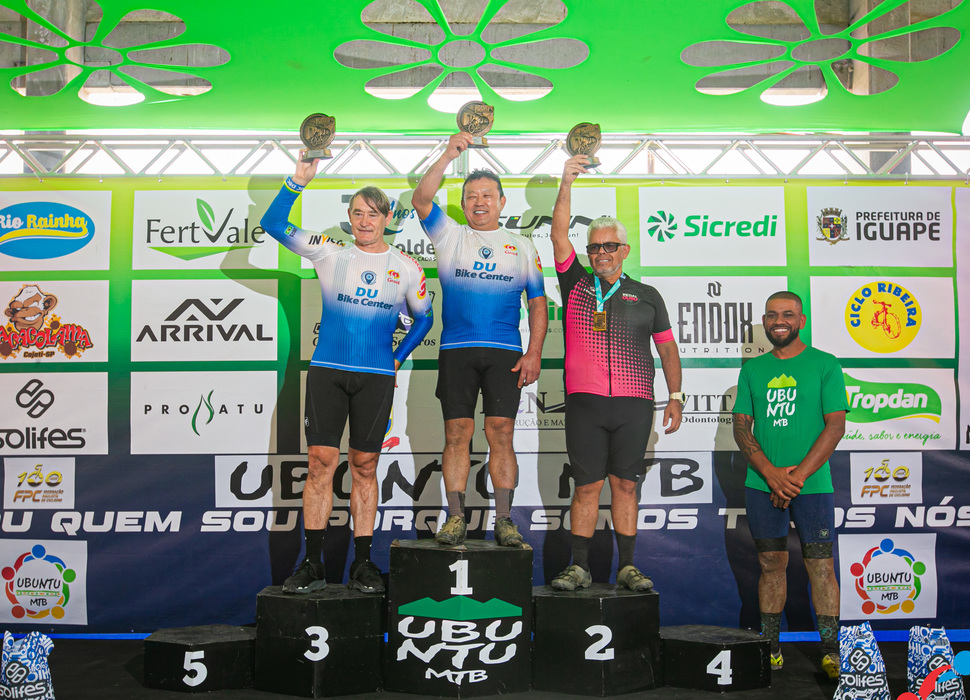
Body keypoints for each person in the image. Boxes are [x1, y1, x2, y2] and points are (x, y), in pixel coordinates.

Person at [261, 158, 433, 593]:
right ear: (349, 217)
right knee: (320, 463)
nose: (364, 221)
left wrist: (398, 358)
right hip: (328, 373)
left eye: (373, 213)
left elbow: (425, 318)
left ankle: (363, 563)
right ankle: (312, 563)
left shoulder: (407, 267)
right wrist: (298, 180)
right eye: (357, 213)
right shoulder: (329, 251)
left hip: (376, 376)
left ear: (387, 217)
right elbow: (273, 223)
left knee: (365, 466)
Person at [547, 154, 683, 592]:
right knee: (587, 487)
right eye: (594, 247)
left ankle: (627, 567)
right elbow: (558, 234)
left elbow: (667, 348)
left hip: (634, 404)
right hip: (585, 403)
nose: (601, 253)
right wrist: (567, 181)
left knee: (625, 485)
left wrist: (676, 396)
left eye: (609, 246)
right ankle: (580, 567)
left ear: (624, 250)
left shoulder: (647, 294)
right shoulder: (575, 283)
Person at [412, 132, 547, 547]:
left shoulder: (522, 246)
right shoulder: (449, 235)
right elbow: (421, 199)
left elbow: (538, 304)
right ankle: (456, 518)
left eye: (488, 195)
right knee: (457, 433)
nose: (479, 202)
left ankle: (504, 519)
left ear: (502, 202)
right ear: (463, 203)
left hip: (505, 351)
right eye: (471, 196)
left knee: (501, 432)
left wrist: (534, 352)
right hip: (456, 350)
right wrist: (448, 155)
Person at [731, 291, 847, 680]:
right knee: (770, 564)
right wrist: (771, 473)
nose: (778, 321)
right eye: (771, 315)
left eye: (787, 314)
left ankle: (831, 651)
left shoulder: (825, 364)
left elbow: (836, 426)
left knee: (821, 565)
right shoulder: (753, 370)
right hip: (762, 484)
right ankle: (771, 647)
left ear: (801, 320)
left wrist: (794, 478)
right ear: (764, 322)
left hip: (811, 485)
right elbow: (741, 427)